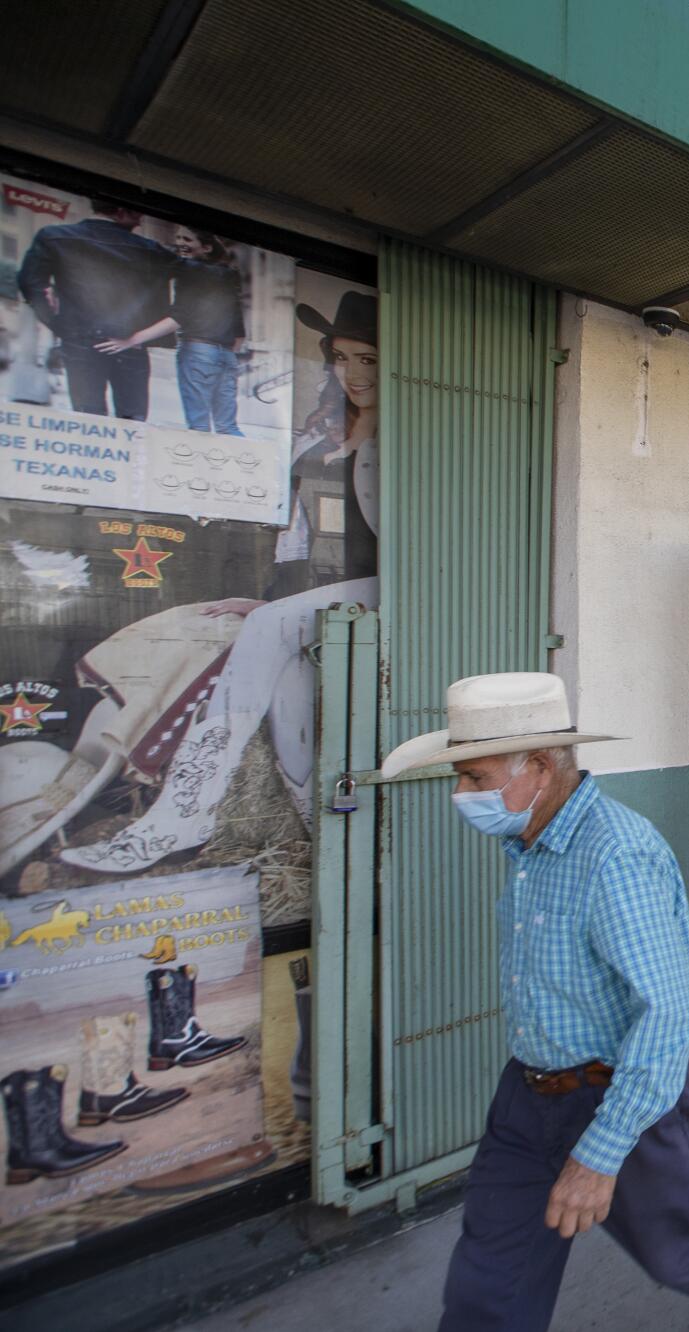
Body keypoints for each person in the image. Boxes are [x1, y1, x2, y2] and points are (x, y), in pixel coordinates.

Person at [379, 673, 689, 1332]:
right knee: (491, 1271)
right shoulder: (527, 843)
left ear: (540, 768)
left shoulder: (616, 855)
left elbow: (668, 1015)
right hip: (526, 1095)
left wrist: (600, 1151)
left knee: (677, 1247)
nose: (460, 795)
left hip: (621, 1097)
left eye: (473, 776)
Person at [60, 293, 381, 873]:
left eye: (369, 360)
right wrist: (273, 605)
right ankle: (328, 842)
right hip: (331, 597)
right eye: (341, 358)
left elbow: (406, 548)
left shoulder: (396, 444)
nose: (352, 374)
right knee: (285, 688)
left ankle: (182, 817)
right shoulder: (323, 438)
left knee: (266, 629)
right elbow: (305, 547)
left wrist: (274, 615)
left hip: (398, 592)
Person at [15, 198, 174, 420]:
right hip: (130, 344)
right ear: (121, 211)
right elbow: (191, 278)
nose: (141, 219)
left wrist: (58, 324)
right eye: (138, 213)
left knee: (87, 419)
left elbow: (29, 283)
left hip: (78, 341)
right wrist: (143, 334)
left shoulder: (53, 236)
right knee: (133, 423)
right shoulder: (149, 249)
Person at [90, 226, 247, 434]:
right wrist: (225, 357)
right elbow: (239, 331)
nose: (181, 243)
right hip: (226, 356)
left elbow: (178, 318)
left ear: (207, 247)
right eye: (178, 237)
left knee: (199, 426)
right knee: (227, 426)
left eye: (188, 239)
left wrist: (132, 340)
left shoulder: (191, 272)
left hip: (198, 352)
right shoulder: (228, 275)